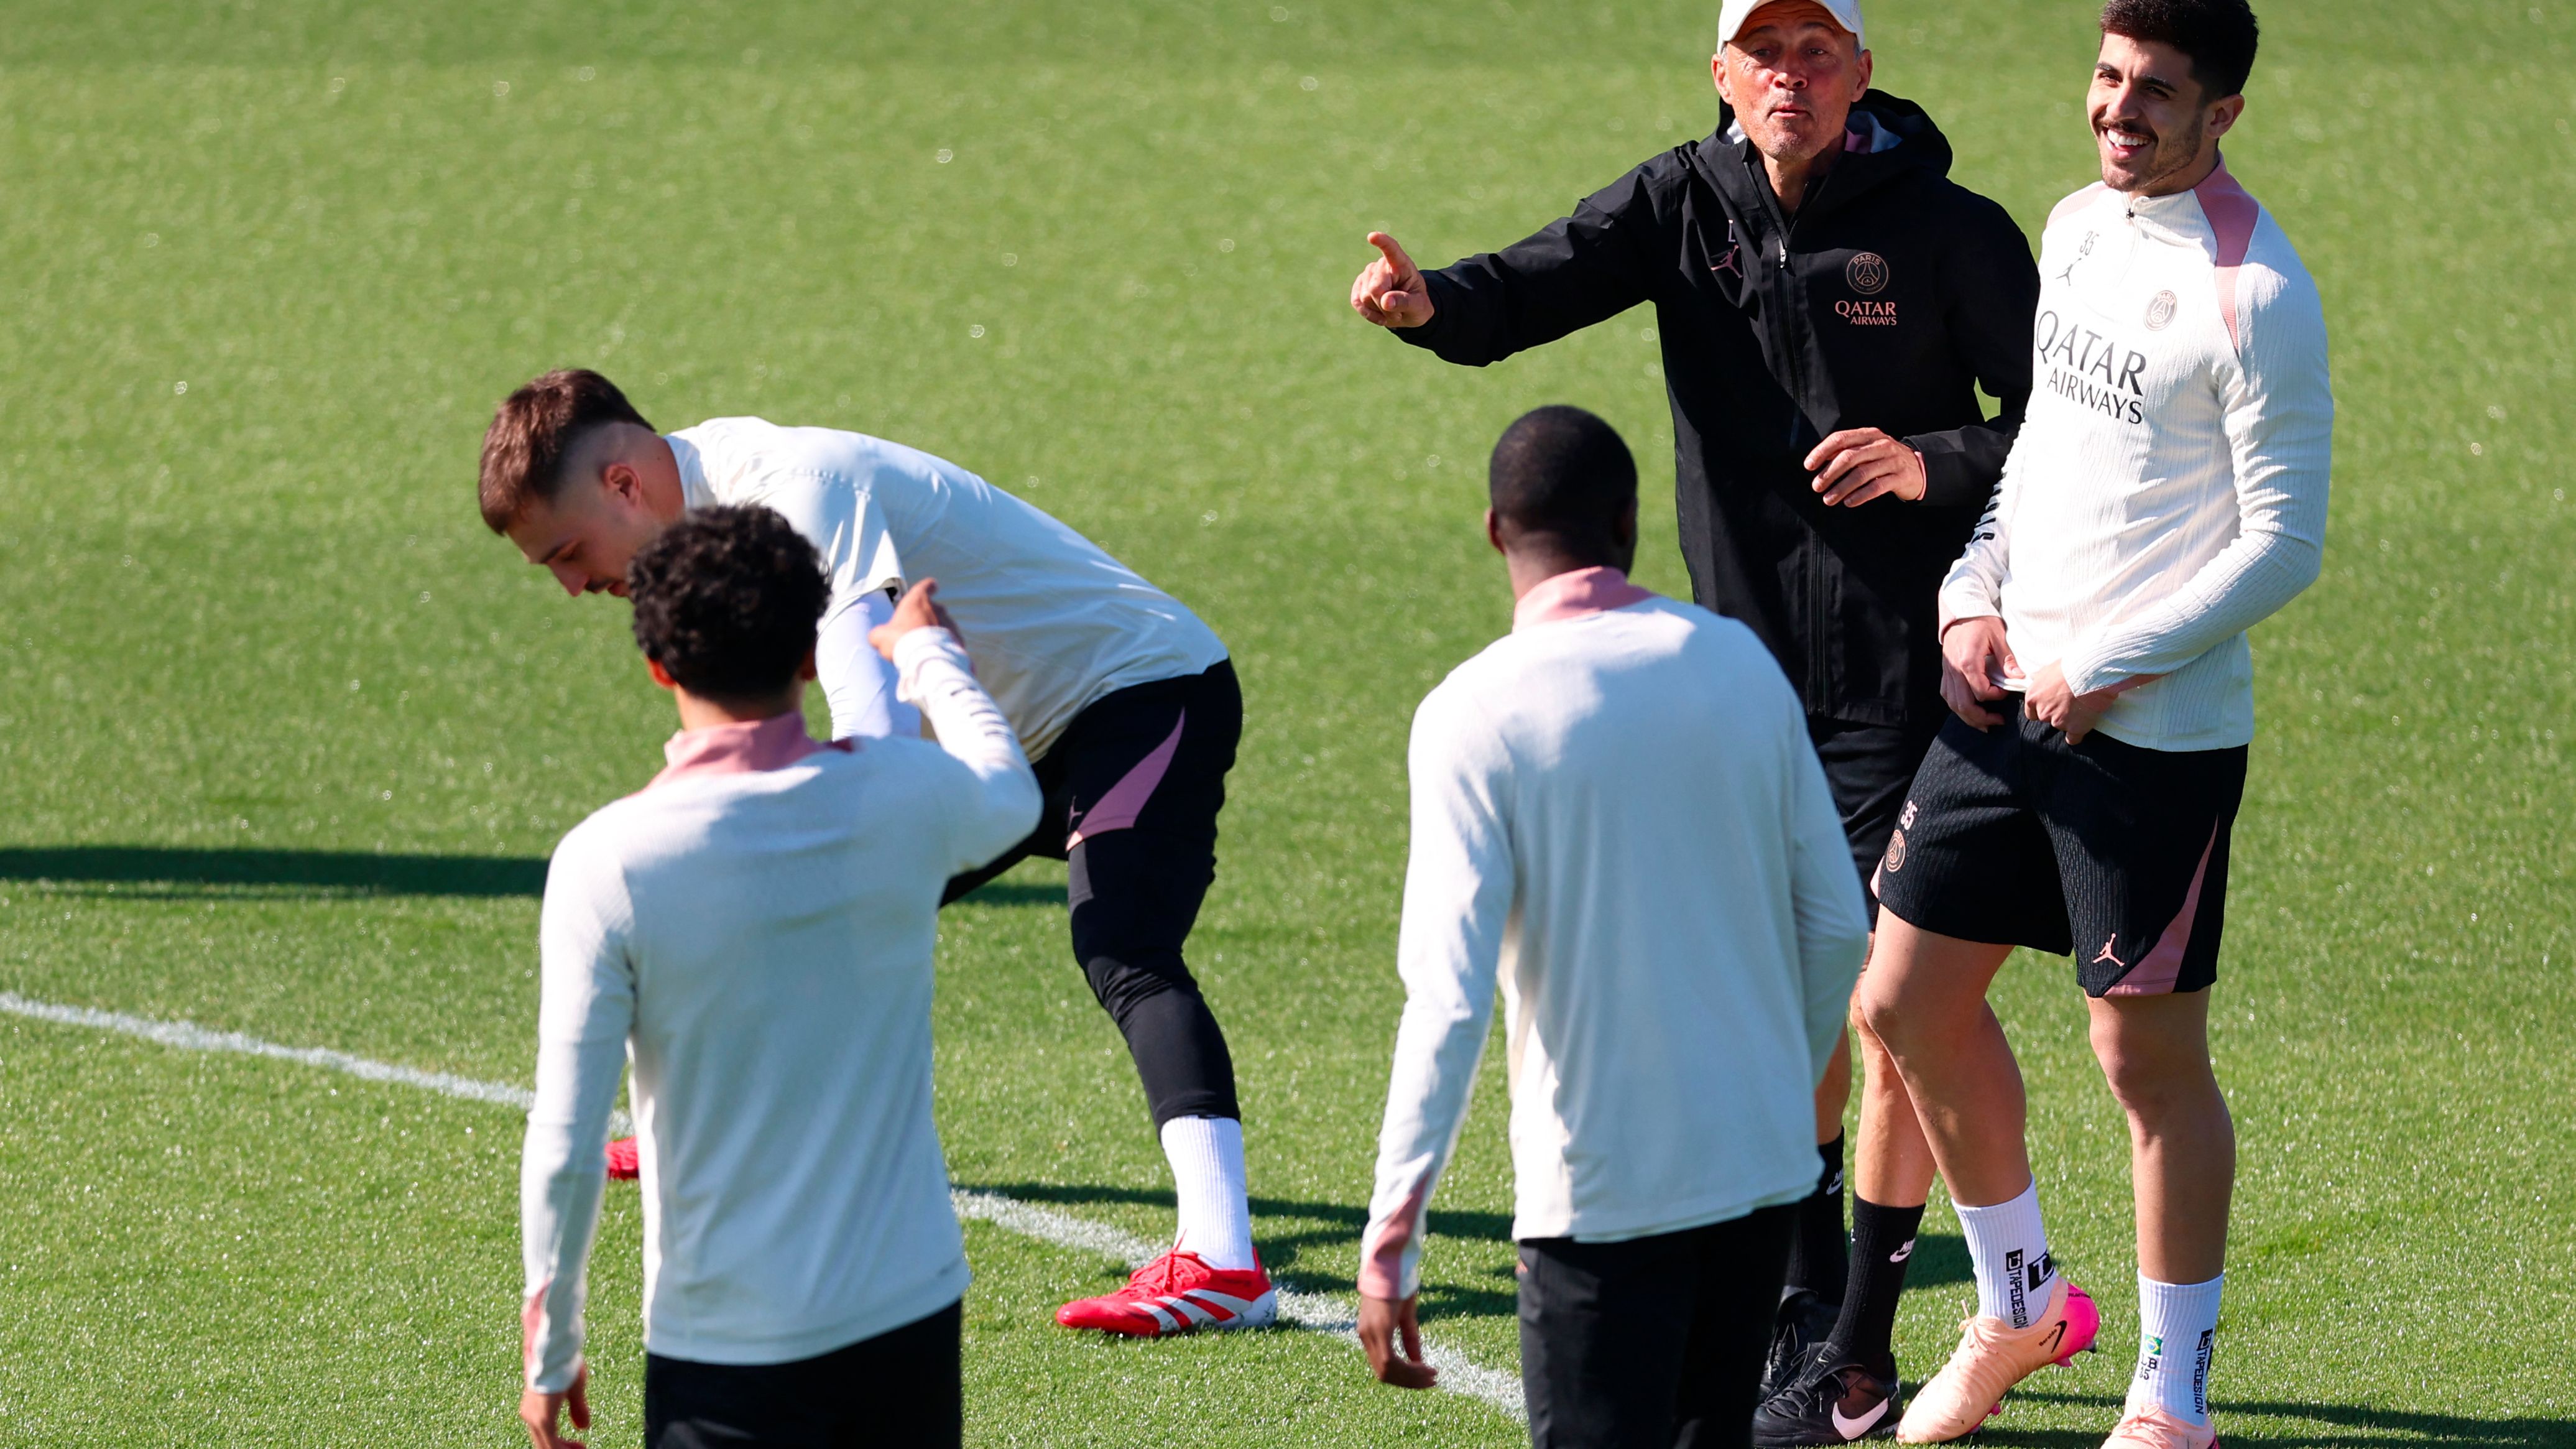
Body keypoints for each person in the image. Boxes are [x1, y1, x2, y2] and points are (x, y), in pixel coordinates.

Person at [1347, 4, 2039, 1428]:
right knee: (1771, 982)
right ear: (1721, 73)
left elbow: (2055, 431)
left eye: (1816, 48)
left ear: (1862, 70)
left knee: (1870, 994)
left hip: (1908, 678)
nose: (1788, 73)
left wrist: (1929, 460)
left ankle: (1852, 1342)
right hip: (1739, 678)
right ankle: (1800, 1307)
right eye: (1761, 49)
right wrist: (1432, 309)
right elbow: (1535, 278)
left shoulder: (1951, 230)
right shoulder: (1680, 201)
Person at [479, 371, 1275, 1338]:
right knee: (809, 892)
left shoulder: (793, 483)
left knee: (1124, 943)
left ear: (622, 484)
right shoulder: (702, 511)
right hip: (995, 729)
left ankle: (1225, 1258)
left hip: (1143, 688)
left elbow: (876, 725)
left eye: (564, 553)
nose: (569, 586)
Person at [1858, 3, 2329, 1445]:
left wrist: (2111, 658)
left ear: (2220, 115)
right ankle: (2015, 1302)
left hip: (2152, 740)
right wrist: (1969, 590)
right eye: (2108, 79)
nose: (2117, 112)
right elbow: (2041, 455)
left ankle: (2168, 1397)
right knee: (1901, 1005)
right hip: (2006, 700)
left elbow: (2283, 541)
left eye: (2156, 93)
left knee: (2143, 1068)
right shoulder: (2072, 226)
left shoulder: (2253, 291)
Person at [1355, 407, 1871, 1448]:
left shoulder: (1473, 712)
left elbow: (1449, 1001)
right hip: (1752, 1184)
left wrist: (1394, 1233)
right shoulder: (1736, 667)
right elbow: (1836, 930)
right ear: (1631, 520)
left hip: (1595, 1199)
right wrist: (1778, 1097)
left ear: (1497, 532)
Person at [516, 504, 1040, 1448]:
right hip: (906, 1315)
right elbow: (1010, 793)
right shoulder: (902, 795)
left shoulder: (608, 861)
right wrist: (927, 657)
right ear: (811, 657)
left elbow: (566, 1138)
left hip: (723, 1351)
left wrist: (553, 1346)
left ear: (658, 666)